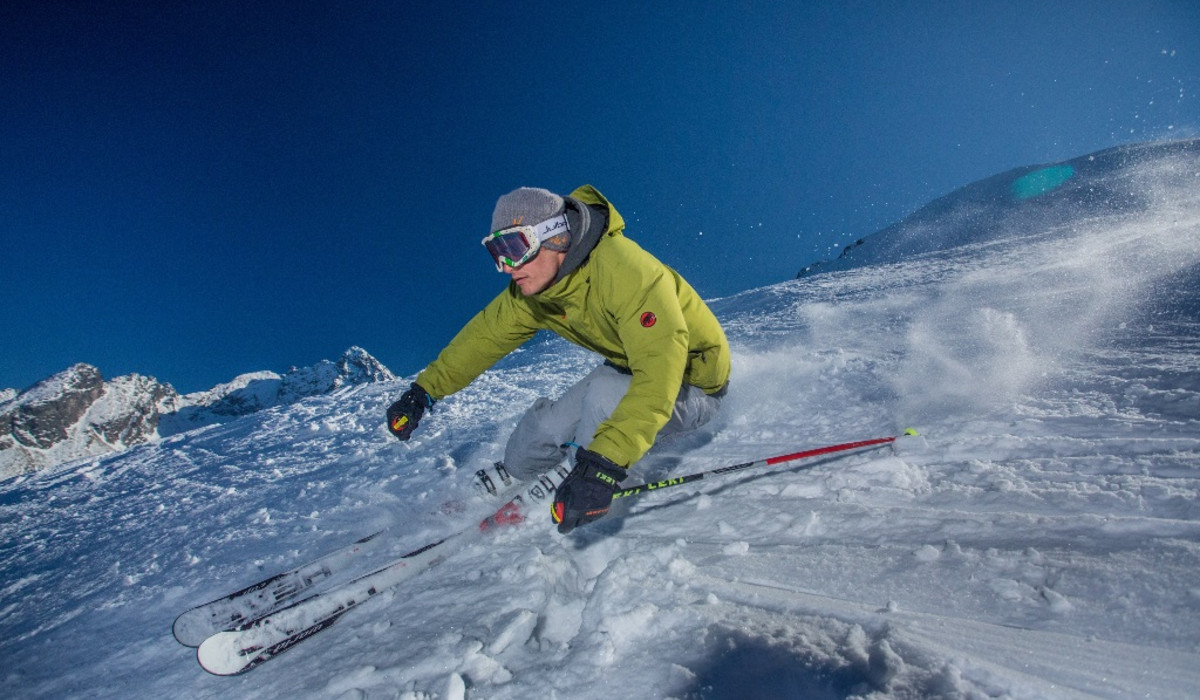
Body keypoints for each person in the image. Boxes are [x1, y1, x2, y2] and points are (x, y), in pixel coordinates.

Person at [386, 185, 730, 533]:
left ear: (555, 236)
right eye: (496, 253)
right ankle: (519, 471)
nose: (506, 267)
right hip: (626, 371)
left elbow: (659, 373)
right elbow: (483, 338)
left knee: (604, 397)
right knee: (540, 433)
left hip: (691, 385)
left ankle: (581, 466)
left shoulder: (627, 272)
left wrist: (604, 464)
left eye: (513, 248)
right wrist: (423, 392)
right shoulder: (535, 292)